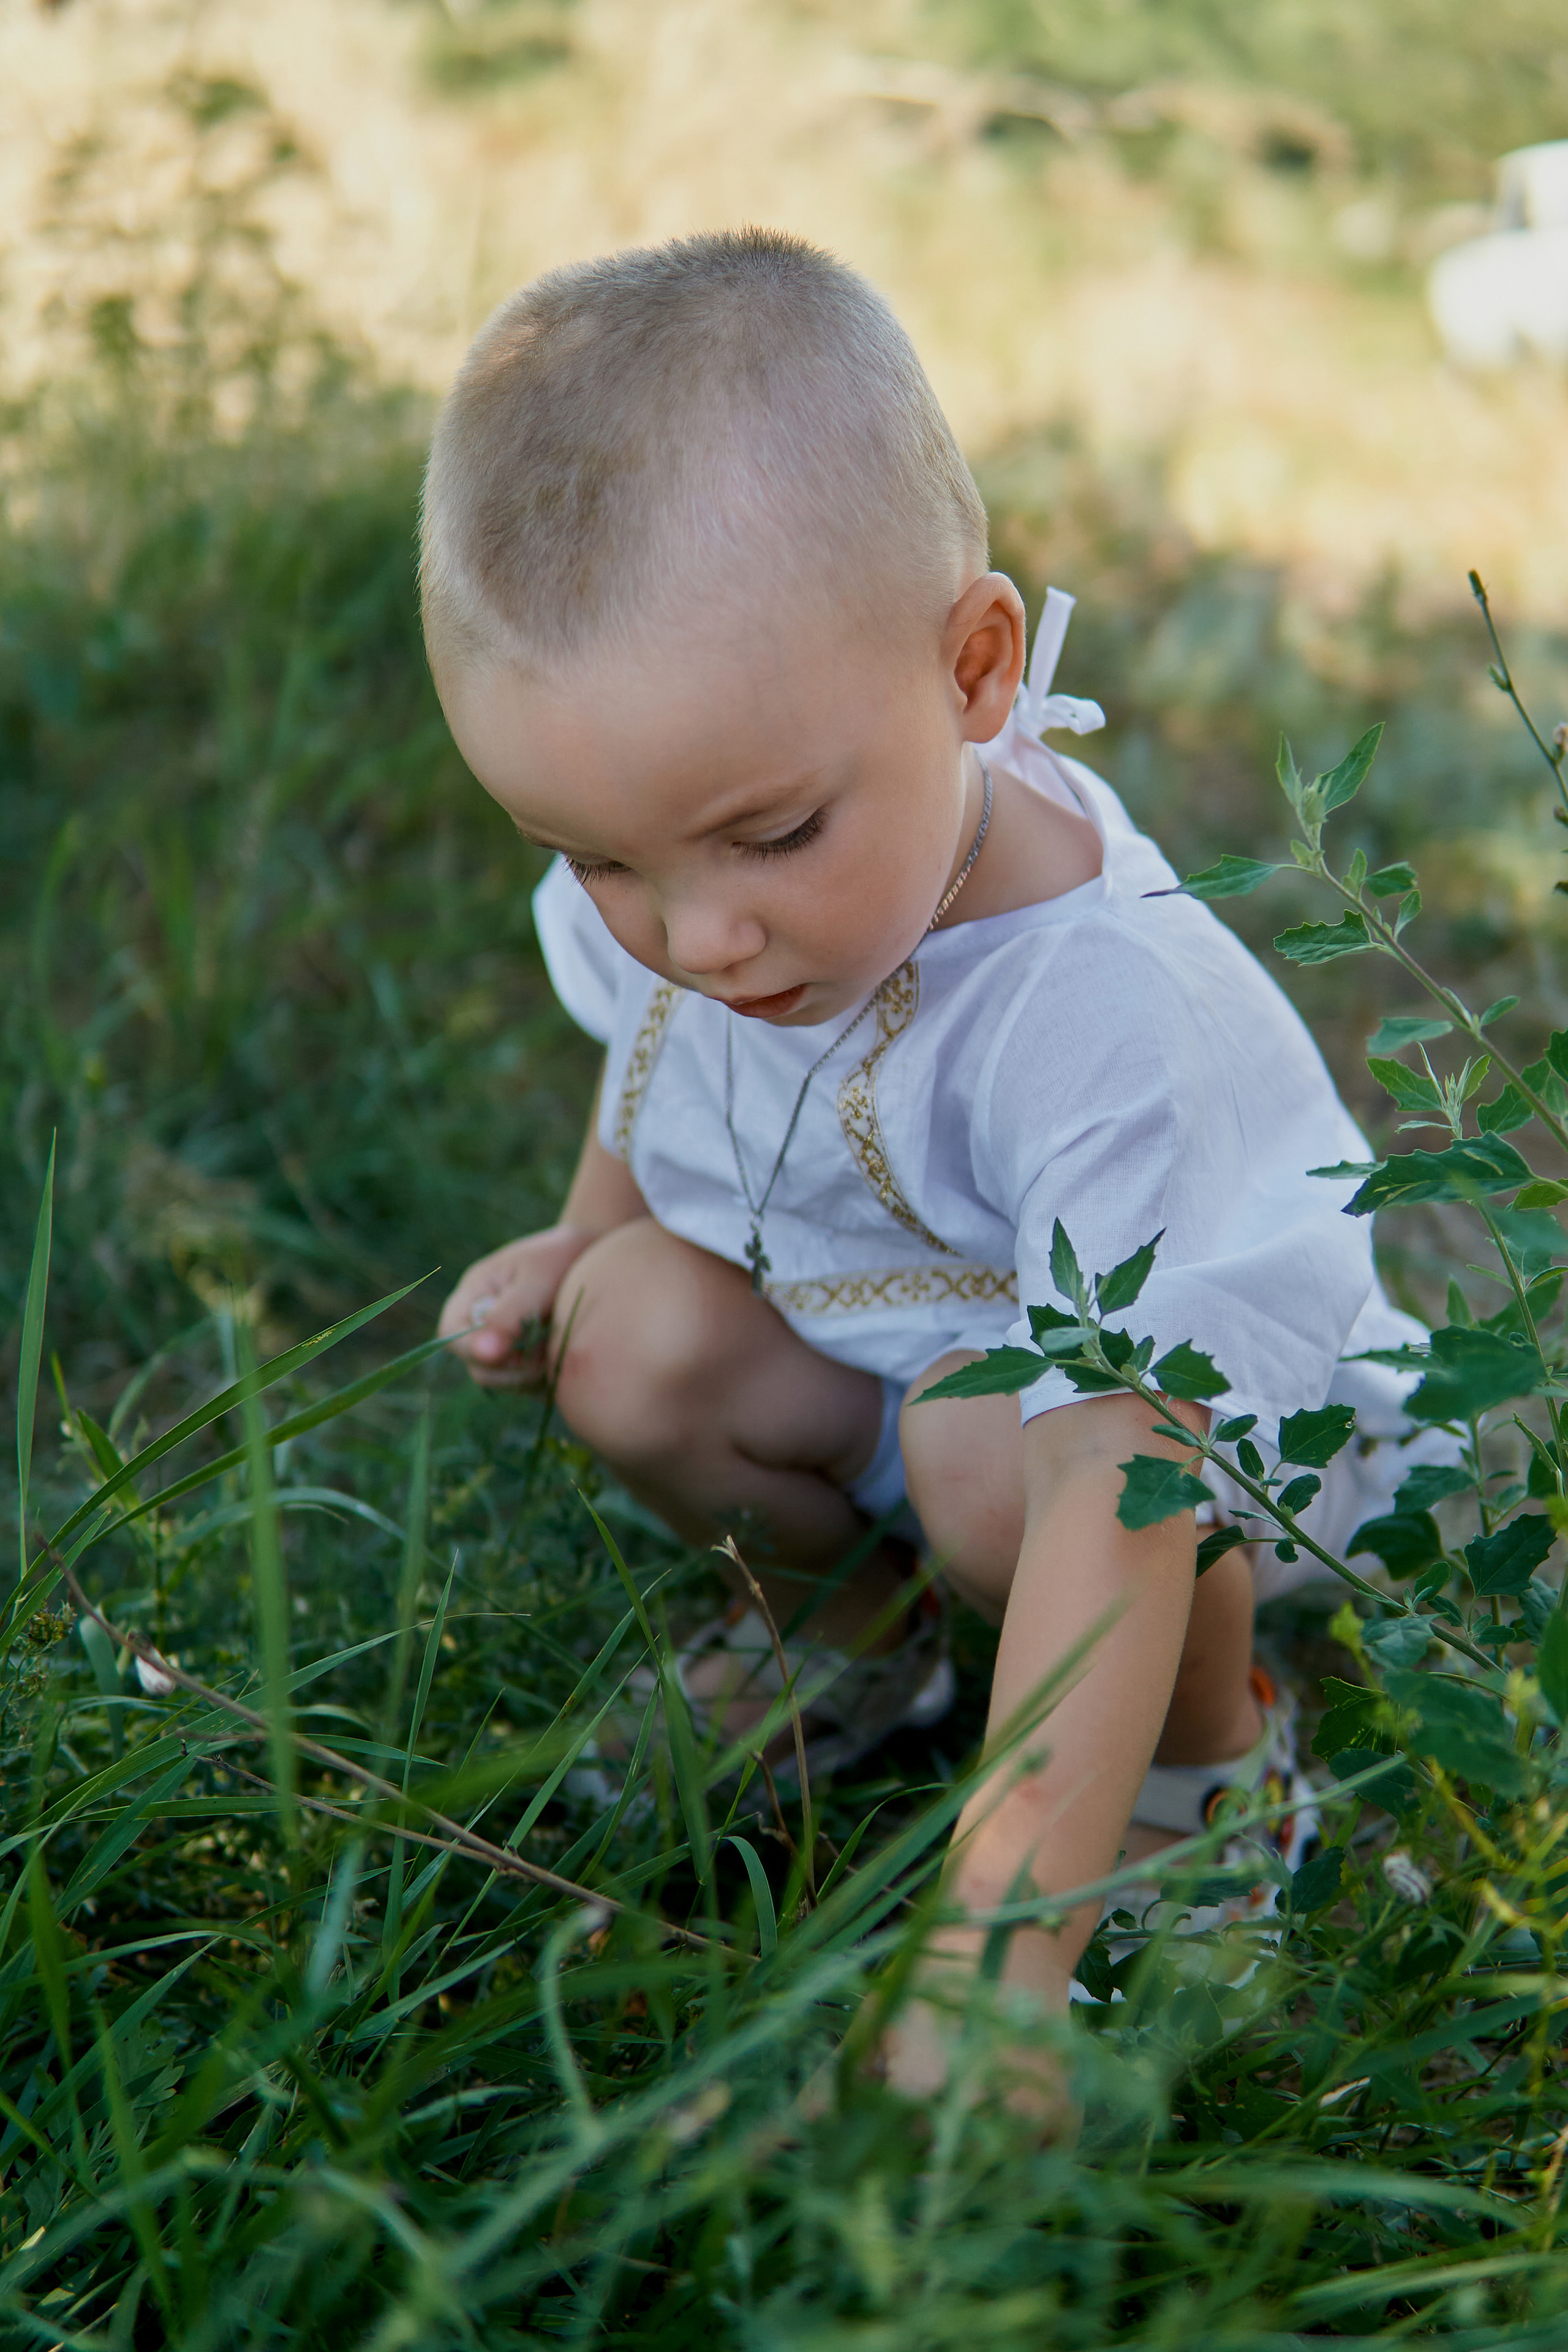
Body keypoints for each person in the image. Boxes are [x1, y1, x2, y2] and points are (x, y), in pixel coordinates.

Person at [421, 227, 1424, 2099]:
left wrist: (994, 1945)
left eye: (767, 835)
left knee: (995, 1455)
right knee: (627, 1338)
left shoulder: (1102, 1014)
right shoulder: (716, 871)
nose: (695, 935)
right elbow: (659, 1066)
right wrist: (583, 1234)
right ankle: (850, 1648)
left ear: (972, 667)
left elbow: (1132, 1464)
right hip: (882, 1349)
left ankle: (1208, 1769)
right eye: (599, 861)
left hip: (1161, 1452)